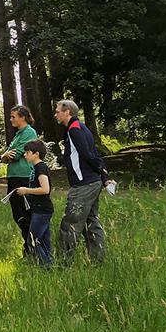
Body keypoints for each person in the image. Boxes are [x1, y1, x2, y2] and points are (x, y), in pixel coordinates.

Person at [54, 100, 109, 264]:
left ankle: (63, 263)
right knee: (91, 222)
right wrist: (103, 175)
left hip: (84, 185)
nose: (55, 114)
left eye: (57, 111)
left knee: (70, 223)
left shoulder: (75, 129)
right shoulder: (80, 128)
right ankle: (98, 262)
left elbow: (89, 155)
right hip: (92, 182)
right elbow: (94, 153)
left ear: (67, 112)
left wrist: (101, 171)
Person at [0, 105, 38, 259]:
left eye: (13, 116)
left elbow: (15, 155)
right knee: (18, 213)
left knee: (25, 213)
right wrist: (5, 155)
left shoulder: (29, 132)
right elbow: (4, 157)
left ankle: (32, 249)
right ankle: (29, 247)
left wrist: (8, 155)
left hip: (23, 176)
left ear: (23, 117)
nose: (11, 119)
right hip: (13, 177)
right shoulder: (17, 135)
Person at [16, 140, 53, 268]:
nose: (25, 155)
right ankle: (50, 263)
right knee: (43, 239)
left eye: (27, 152)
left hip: (42, 210)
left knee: (32, 241)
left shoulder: (41, 168)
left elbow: (45, 189)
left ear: (36, 154)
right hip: (38, 210)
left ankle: (46, 266)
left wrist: (26, 190)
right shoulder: (35, 168)